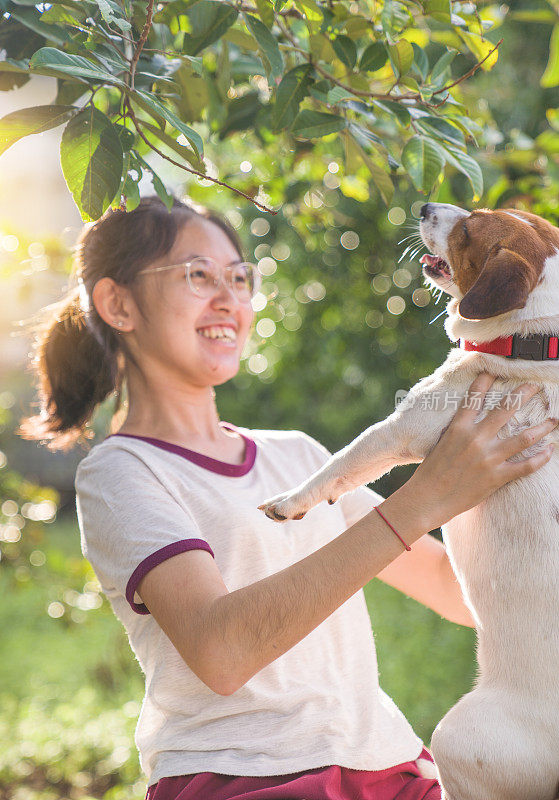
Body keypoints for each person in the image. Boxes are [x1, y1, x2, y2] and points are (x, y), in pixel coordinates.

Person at [18, 195, 556, 800]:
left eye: (239, 278)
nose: (229, 298)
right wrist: (425, 497)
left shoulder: (296, 456)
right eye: (198, 275)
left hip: (394, 770)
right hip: (245, 778)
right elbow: (221, 652)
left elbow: (461, 593)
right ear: (118, 303)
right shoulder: (122, 472)